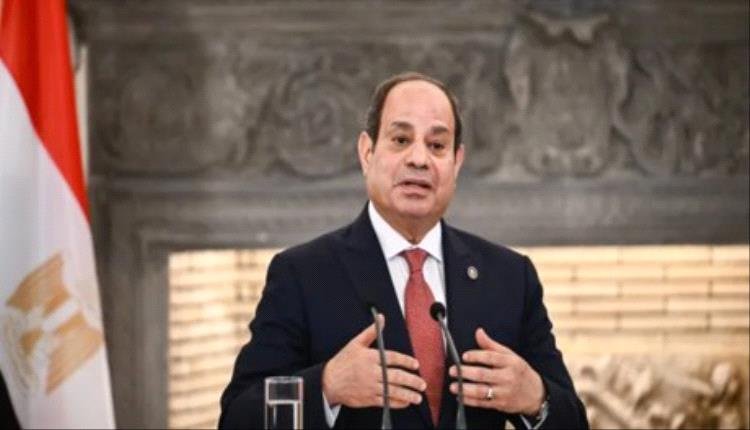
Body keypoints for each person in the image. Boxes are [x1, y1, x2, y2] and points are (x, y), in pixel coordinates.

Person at [219, 72, 588, 429]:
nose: (419, 159)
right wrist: (327, 386)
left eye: (437, 145)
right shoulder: (302, 274)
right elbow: (237, 417)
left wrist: (535, 398)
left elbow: (574, 420)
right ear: (367, 152)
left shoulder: (509, 277)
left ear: (456, 162)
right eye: (400, 140)